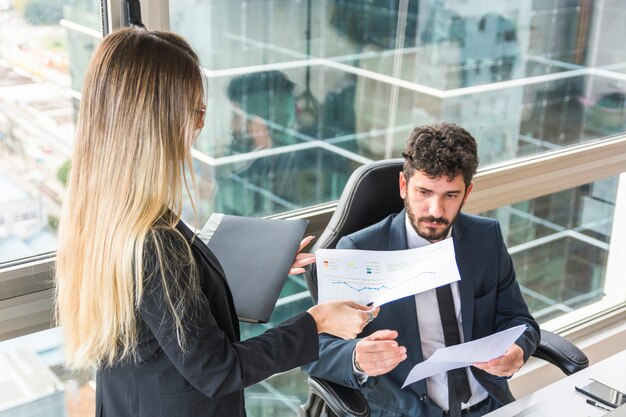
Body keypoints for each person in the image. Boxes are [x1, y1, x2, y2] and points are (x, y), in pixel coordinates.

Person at [54, 26, 378, 417]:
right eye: (195, 109)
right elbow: (217, 369)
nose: (201, 124)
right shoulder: (152, 241)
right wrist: (317, 321)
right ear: (155, 121)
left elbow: (165, 317)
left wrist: (253, 268)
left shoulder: (106, 214)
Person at [303, 122, 540, 417]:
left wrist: (517, 350)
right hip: (408, 411)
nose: (435, 211)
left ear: (467, 193)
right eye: (424, 192)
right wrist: (356, 357)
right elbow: (315, 350)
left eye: (450, 195)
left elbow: (519, 320)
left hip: (487, 404)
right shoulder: (359, 250)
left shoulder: (485, 239)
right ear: (404, 186)